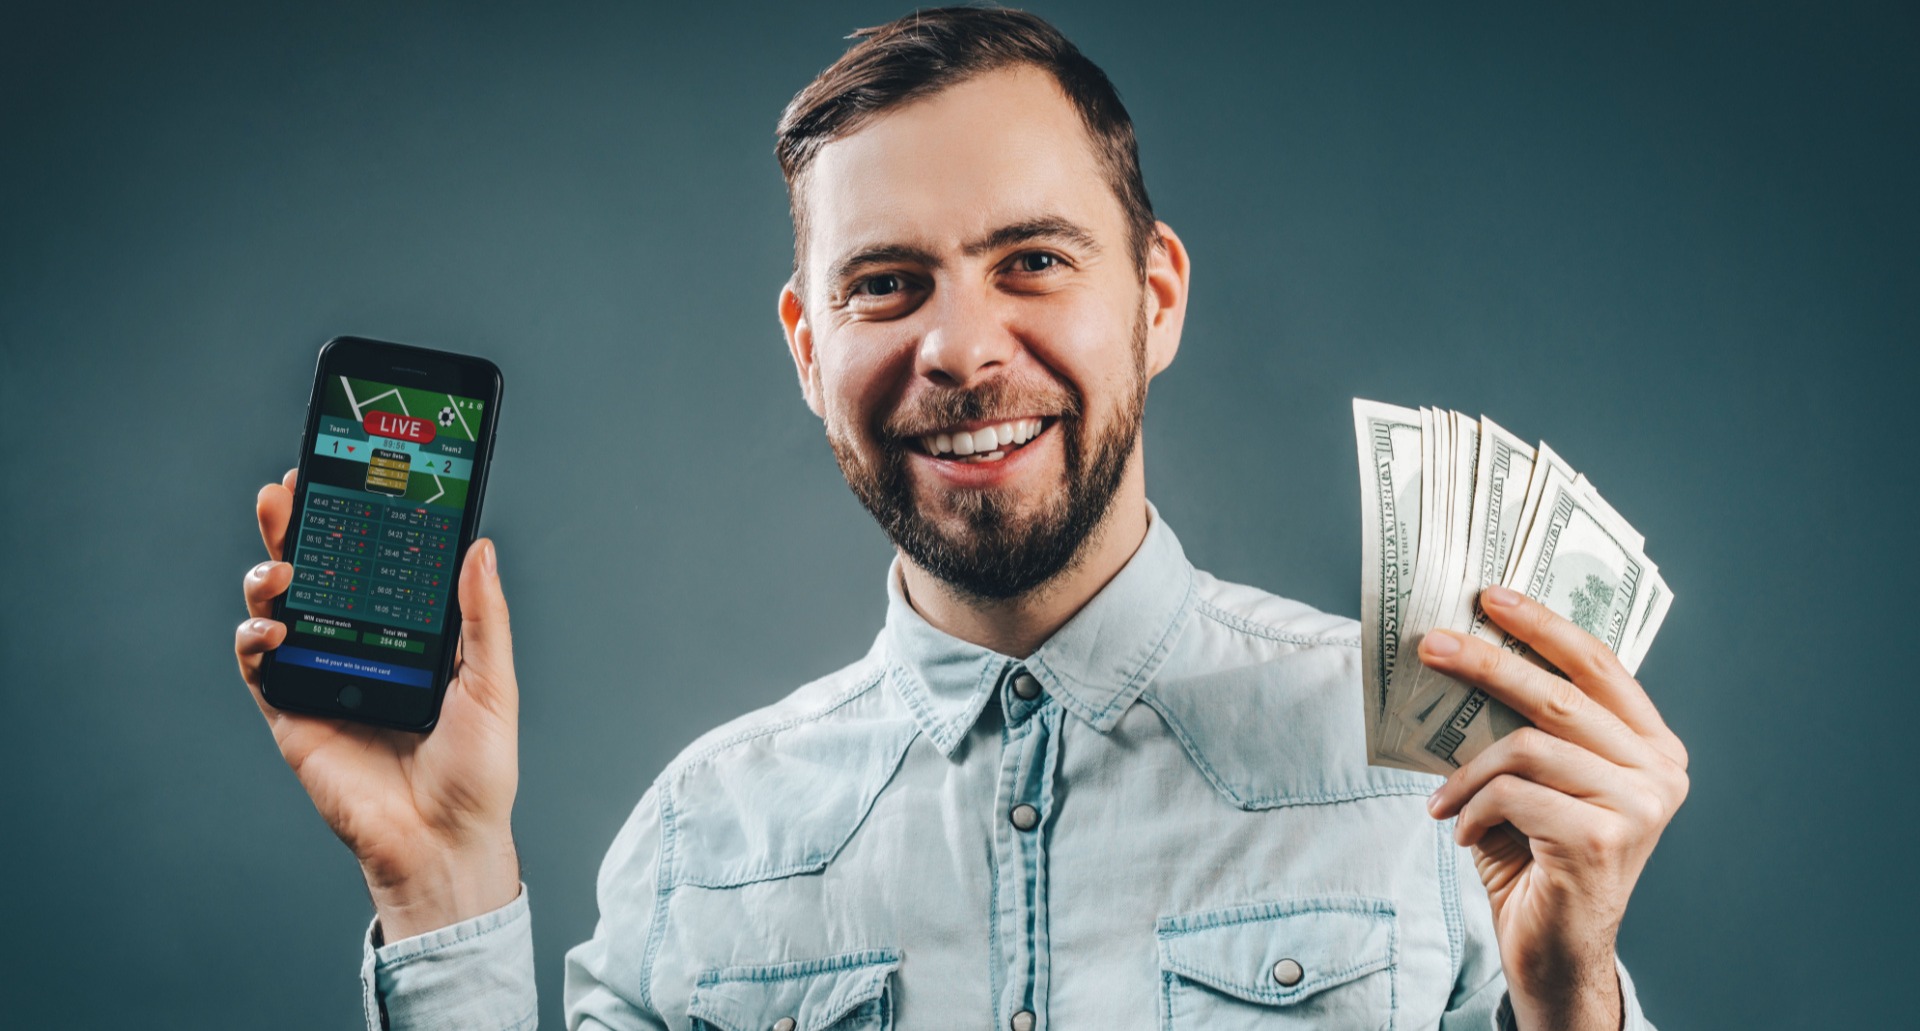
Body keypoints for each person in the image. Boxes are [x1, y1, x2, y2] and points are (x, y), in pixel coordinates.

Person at [234, 7, 1689, 1029]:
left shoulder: (1432, 783)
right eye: (889, 284)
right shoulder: (694, 846)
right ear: (810, 349)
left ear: (1156, 294)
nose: (962, 350)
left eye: (1033, 260)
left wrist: (1573, 1003)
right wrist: (439, 890)